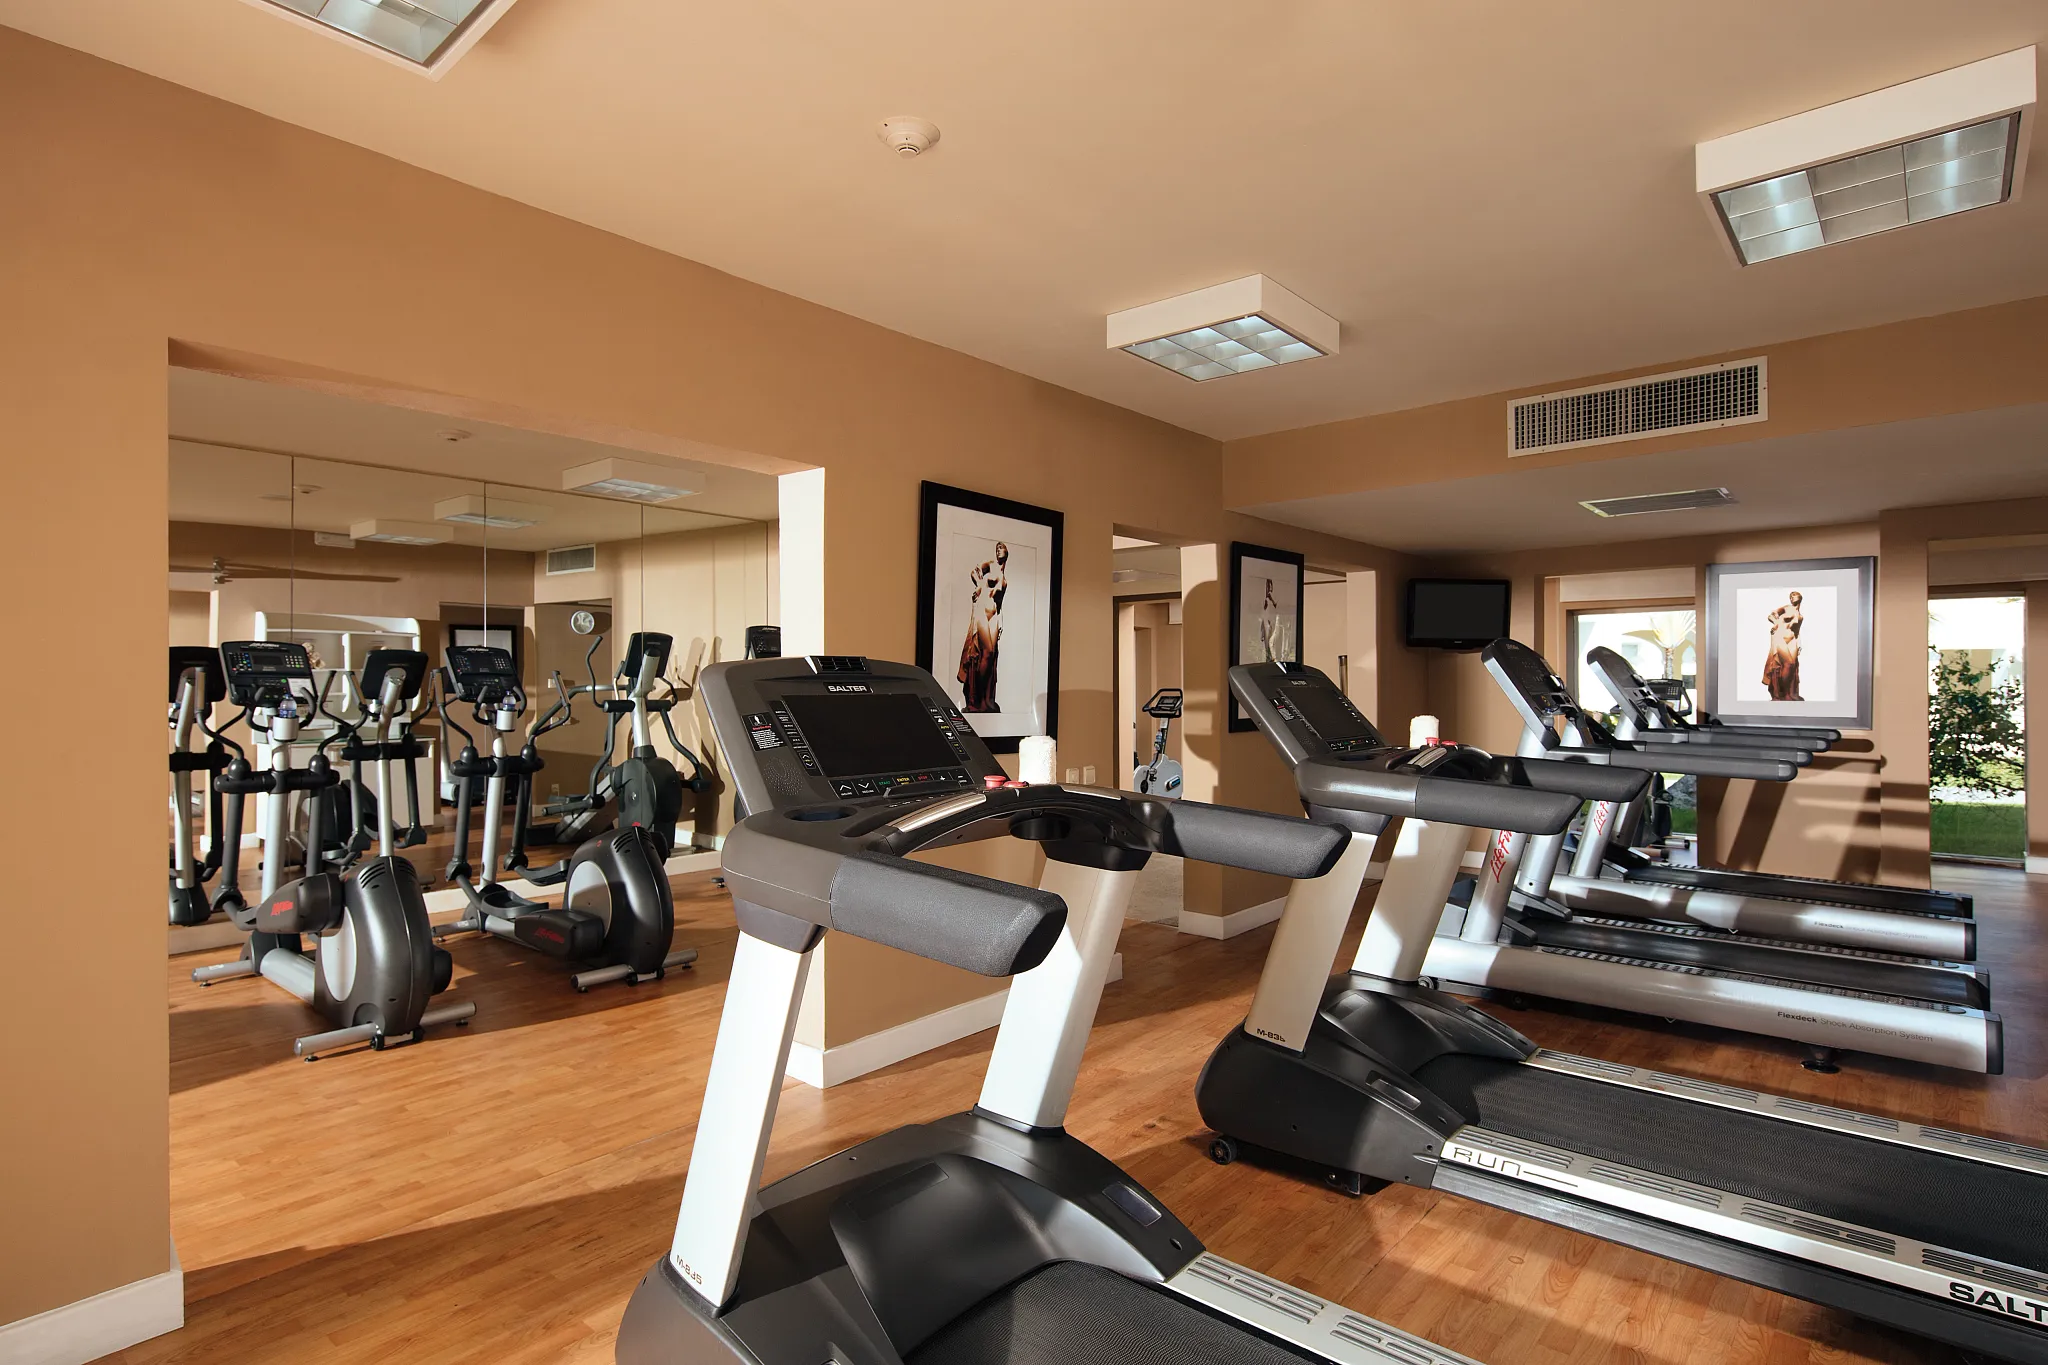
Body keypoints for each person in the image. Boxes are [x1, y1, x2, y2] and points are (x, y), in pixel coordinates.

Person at [957, 542, 1008, 711]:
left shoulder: (1004, 577)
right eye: (997, 547)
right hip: (982, 611)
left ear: (1007, 552)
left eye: (1002, 547)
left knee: (992, 656)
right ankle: (976, 698)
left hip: (994, 614)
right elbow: (974, 571)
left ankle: (986, 700)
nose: (999, 549)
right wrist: (979, 585)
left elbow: (1000, 604)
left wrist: (1001, 620)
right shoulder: (990, 565)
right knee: (985, 653)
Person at [1761, 590, 1804, 701]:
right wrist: (1776, 624)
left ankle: (1789, 693)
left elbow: (1797, 631)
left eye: (1794, 595)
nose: (1792, 597)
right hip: (1780, 637)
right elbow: (1771, 615)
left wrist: (1799, 643)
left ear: (1799, 597)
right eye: (1790, 596)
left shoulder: (1800, 616)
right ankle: (1782, 693)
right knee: (1788, 664)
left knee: (1793, 666)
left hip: (1792, 640)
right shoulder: (1786, 608)